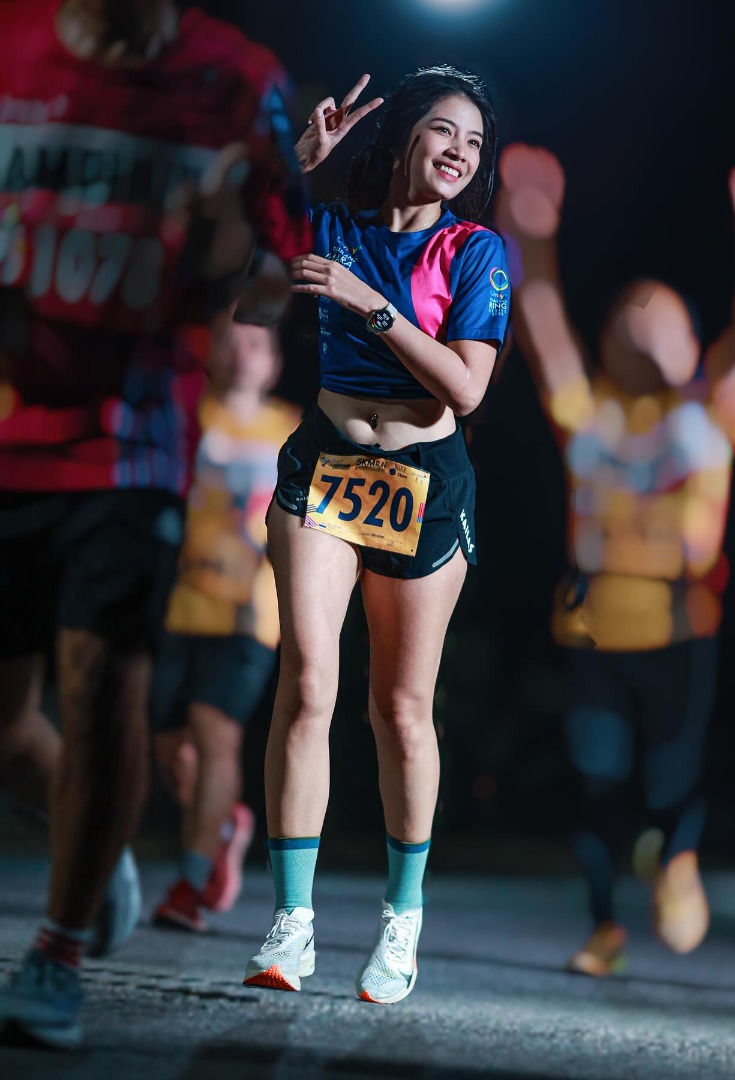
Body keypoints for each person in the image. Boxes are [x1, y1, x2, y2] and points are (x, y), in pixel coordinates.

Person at [0, 0, 310, 1049]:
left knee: (104, 684)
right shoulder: (11, 42)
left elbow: (278, 282)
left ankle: (58, 952)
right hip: (7, 428)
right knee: (8, 723)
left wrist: (228, 261)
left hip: (131, 441)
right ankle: (100, 850)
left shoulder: (239, 82)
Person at [241, 65, 509, 1005]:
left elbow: (466, 388)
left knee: (398, 709)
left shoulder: (474, 250)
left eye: (474, 143)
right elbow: (249, 308)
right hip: (324, 469)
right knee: (307, 684)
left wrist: (369, 305)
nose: (460, 153)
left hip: (423, 485)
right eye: (444, 131)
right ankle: (293, 921)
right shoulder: (329, 227)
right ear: (401, 137)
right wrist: (294, 167)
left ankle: (402, 919)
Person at [494, 144, 735, 975]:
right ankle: (604, 928)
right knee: (596, 783)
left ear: (694, 341)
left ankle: (675, 859)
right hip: (594, 627)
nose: (645, 325)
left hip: (679, 626)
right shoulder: (589, 413)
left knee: (671, 782)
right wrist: (530, 239)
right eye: (632, 316)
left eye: (663, 318)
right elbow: (542, 324)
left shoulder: (709, 415)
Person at [151, 321, 302, 932]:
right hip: (179, 603)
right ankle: (224, 827)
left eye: (257, 344)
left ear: (274, 362)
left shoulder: (293, 427)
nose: (243, 355)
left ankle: (190, 885)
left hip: (248, 612)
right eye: (231, 342)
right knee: (173, 753)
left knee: (216, 735)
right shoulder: (189, 413)